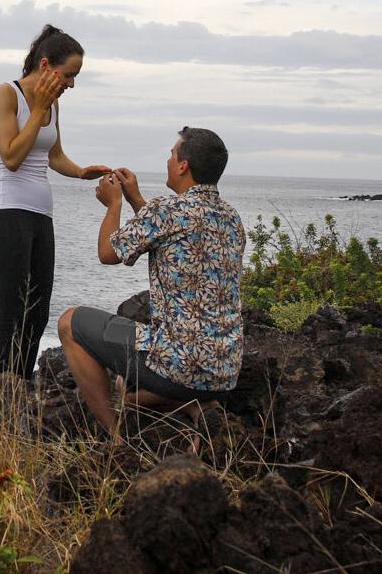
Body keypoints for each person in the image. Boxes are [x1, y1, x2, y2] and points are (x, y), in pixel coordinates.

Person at [57, 127, 245, 443]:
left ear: (184, 165)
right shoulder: (231, 218)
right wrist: (135, 198)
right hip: (224, 370)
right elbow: (165, 232)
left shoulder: (166, 210)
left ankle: (117, 441)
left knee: (70, 323)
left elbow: (108, 252)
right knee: (125, 390)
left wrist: (114, 204)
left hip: (176, 365)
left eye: (172, 154)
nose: (168, 160)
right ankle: (199, 407)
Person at [0, 24, 111, 381]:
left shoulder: (51, 106)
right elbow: (11, 156)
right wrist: (38, 109)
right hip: (8, 210)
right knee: (12, 312)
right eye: (69, 75)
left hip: (41, 214)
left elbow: (53, 156)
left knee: (37, 314)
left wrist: (82, 171)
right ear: (46, 65)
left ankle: (20, 387)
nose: (71, 84)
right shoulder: (4, 94)